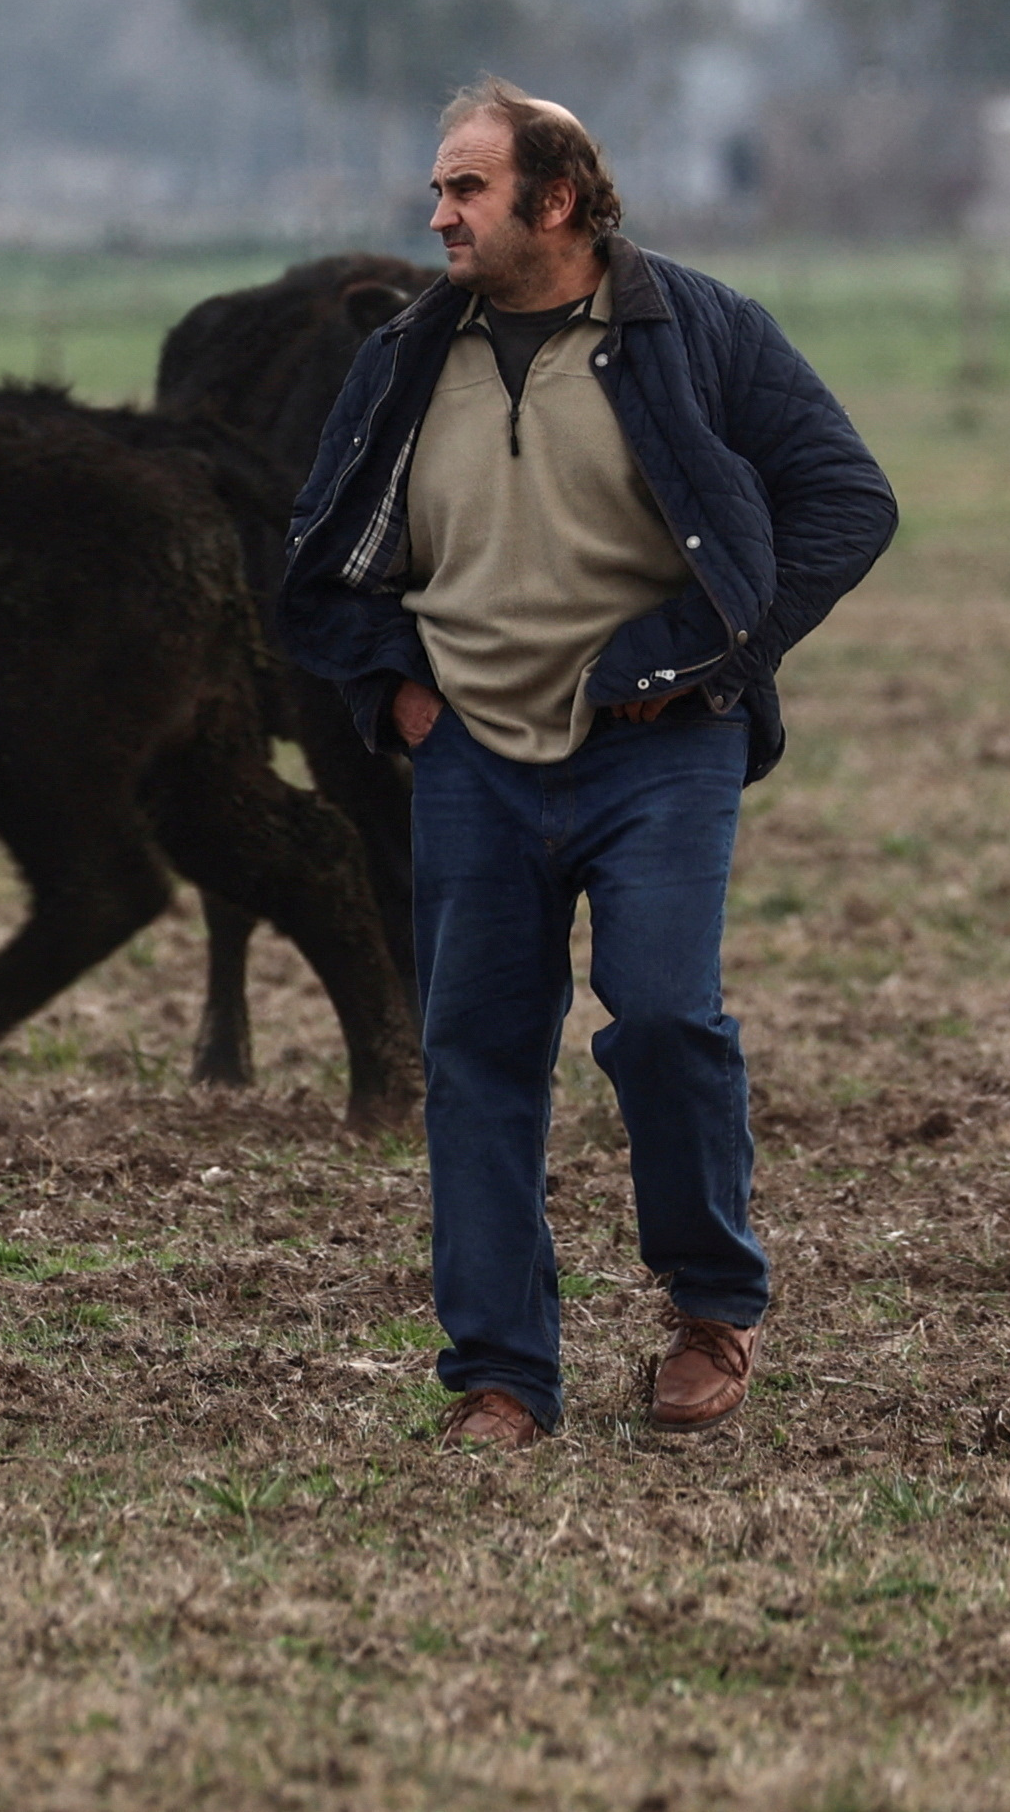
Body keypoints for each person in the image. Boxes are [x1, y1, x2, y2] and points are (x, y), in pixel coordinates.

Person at [278, 80, 897, 1449]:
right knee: (479, 1055)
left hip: (661, 751)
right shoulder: (402, 358)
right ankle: (501, 1377)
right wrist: (396, 692)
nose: (436, 214)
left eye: (467, 189)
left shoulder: (696, 328)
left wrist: (709, 651)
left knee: (667, 1016)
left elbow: (849, 499)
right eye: (439, 187)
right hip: (473, 764)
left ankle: (712, 1307)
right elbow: (314, 565)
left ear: (556, 200)